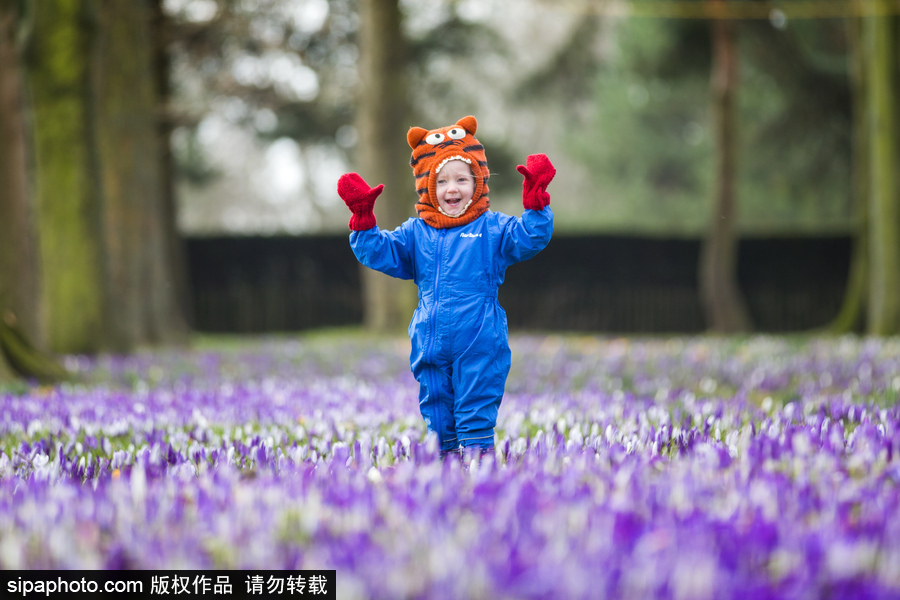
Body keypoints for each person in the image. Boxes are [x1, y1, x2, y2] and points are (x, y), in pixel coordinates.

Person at [336, 115, 555, 458]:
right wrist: (364, 224)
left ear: (478, 181)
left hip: (479, 337)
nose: (452, 189)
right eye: (441, 181)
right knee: (436, 410)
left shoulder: (492, 229)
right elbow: (380, 252)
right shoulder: (415, 232)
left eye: (462, 179)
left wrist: (537, 203)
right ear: (427, 186)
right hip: (430, 338)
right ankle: (445, 465)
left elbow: (529, 237)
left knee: (475, 402)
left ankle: (478, 459)